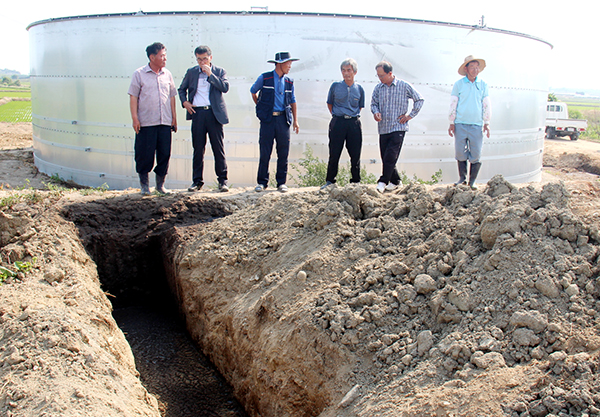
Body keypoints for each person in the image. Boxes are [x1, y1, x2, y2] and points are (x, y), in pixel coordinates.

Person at [178, 45, 230, 193]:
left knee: (218, 148)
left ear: (210, 58)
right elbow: (181, 89)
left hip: (214, 114)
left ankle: (222, 181)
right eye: (199, 60)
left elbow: (225, 87)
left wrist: (210, 75)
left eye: (205, 59)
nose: (202, 62)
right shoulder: (192, 72)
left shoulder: (219, 71)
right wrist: (184, 102)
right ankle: (197, 182)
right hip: (198, 113)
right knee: (198, 149)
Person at [128, 42, 177, 195]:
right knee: (144, 155)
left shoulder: (167, 74)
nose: (165, 59)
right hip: (146, 123)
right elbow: (133, 97)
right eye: (162, 56)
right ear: (152, 57)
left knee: (164, 154)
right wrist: (135, 119)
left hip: (164, 122)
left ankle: (160, 186)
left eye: (165, 55)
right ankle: (144, 186)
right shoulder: (139, 74)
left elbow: (172, 97)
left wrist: (174, 118)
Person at [370, 61, 424, 193]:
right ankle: (396, 181)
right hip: (383, 127)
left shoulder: (403, 86)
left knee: (390, 155)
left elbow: (419, 99)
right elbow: (373, 104)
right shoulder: (378, 88)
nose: (380, 78)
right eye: (378, 76)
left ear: (390, 73)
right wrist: (375, 112)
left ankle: (383, 181)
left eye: (382, 76)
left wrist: (410, 116)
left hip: (398, 126)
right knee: (385, 156)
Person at [250, 51, 300, 193]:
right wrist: (261, 107)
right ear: (279, 64)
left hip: (283, 120)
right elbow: (253, 91)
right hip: (268, 120)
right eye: (288, 63)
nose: (290, 66)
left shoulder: (289, 82)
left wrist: (295, 120)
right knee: (265, 151)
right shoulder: (265, 78)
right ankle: (262, 182)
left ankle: (281, 183)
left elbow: (293, 101)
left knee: (283, 152)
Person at [448, 55, 491, 189]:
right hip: (461, 123)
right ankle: (462, 178)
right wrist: (451, 122)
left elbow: (486, 104)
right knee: (460, 151)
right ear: (466, 69)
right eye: (472, 67)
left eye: (476, 67)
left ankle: (472, 181)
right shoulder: (459, 84)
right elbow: (453, 103)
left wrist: (487, 122)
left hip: (476, 124)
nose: (475, 70)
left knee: (476, 152)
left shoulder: (483, 85)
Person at [321, 58, 365, 190]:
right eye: (343, 70)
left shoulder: (359, 89)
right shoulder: (335, 86)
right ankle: (330, 181)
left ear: (355, 72)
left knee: (355, 154)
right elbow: (330, 103)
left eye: (349, 70)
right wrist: (338, 116)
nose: (346, 73)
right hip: (338, 122)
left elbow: (360, 106)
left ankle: (355, 181)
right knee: (334, 153)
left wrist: (350, 116)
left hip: (353, 123)